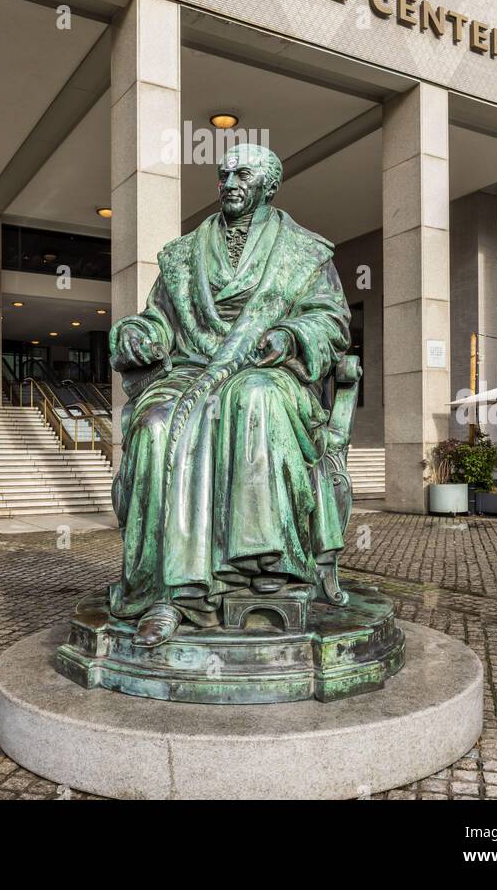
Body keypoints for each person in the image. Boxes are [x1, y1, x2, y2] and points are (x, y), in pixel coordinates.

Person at [109, 142, 352, 646]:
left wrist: (291, 337)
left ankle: (266, 562)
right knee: (156, 428)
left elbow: (331, 321)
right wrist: (140, 334)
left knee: (254, 400)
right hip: (192, 367)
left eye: (241, 174)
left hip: (266, 367)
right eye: (223, 175)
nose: (229, 183)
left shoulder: (304, 251)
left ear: (268, 183)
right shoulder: (181, 256)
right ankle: (172, 593)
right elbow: (161, 320)